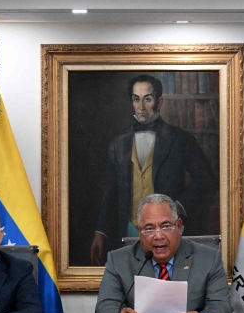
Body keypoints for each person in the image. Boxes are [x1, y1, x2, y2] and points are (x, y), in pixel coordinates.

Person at [90, 74, 216, 264]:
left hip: (166, 231)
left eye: (147, 99)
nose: (141, 107)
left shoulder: (180, 139)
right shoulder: (118, 142)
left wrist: (178, 206)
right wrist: (101, 231)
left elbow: (205, 180)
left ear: (159, 101)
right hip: (129, 229)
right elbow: (110, 190)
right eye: (136, 99)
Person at [95, 193, 232, 313]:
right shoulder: (118, 261)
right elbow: (105, 308)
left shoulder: (208, 259)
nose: (158, 236)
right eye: (149, 229)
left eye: (166, 227)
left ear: (178, 226)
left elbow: (221, 307)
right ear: (139, 231)